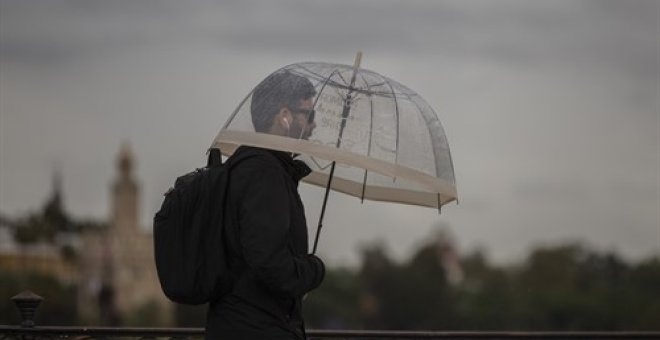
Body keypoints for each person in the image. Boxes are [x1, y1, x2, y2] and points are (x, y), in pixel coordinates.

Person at [205, 71, 325, 340]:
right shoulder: (264, 173)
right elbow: (269, 263)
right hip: (258, 329)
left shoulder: (249, 165)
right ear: (284, 115)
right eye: (310, 115)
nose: (314, 125)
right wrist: (314, 269)